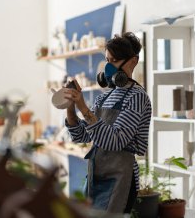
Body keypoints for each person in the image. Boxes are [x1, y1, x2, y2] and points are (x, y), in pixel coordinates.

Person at [64, 32, 152, 214]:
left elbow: (114, 141)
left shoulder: (137, 97)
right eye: (107, 60)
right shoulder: (105, 97)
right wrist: (70, 106)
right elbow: (81, 136)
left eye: (113, 60)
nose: (108, 67)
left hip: (120, 178)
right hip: (96, 175)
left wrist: (83, 108)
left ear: (132, 62)